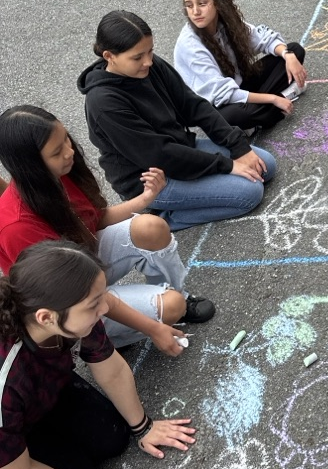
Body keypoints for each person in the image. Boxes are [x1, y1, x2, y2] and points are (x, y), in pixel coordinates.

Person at [0, 241, 196, 469]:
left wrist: (143, 427)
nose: (105, 307)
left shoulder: (60, 311)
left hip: (42, 392)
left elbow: (110, 366)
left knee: (113, 437)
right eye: (94, 304)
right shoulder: (6, 379)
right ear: (47, 318)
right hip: (7, 435)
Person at [0, 106, 214, 354]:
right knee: (171, 307)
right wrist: (151, 327)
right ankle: (105, 339)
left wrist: (145, 200)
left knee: (151, 226)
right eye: (57, 151)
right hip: (71, 302)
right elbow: (73, 294)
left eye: (66, 139)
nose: (70, 152)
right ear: (31, 166)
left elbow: (95, 220)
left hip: (84, 261)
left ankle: (172, 298)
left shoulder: (58, 172)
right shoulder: (17, 226)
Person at [78, 11, 276, 231]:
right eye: (137, 57)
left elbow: (193, 105)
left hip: (181, 149)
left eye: (150, 51)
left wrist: (238, 147)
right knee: (249, 193)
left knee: (265, 165)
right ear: (109, 56)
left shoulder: (150, 66)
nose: (148, 62)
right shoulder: (104, 104)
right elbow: (160, 154)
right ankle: (163, 218)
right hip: (151, 179)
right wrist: (228, 165)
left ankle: (194, 195)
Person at [175, 0, 308, 130]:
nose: (195, 12)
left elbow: (264, 39)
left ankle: (265, 112)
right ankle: (279, 101)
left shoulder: (227, 22)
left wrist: (288, 56)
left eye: (202, 3)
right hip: (216, 106)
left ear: (217, 3)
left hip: (239, 86)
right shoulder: (190, 44)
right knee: (240, 115)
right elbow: (224, 94)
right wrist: (272, 98)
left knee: (294, 50)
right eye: (189, 5)